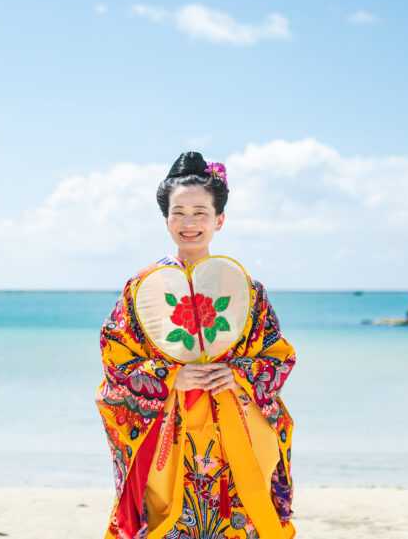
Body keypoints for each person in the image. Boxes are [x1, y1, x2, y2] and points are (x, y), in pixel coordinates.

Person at [96, 152, 295, 539]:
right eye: (179, 212)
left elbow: (277, 356)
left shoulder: (247, 289)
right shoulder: (141, 287)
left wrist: (237, 374)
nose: (189, 223)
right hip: (170, 437)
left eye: (200, 212)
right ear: (166, 220)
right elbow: (116, 360)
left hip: (235, 430)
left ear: (219, 219)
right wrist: (171, 376)